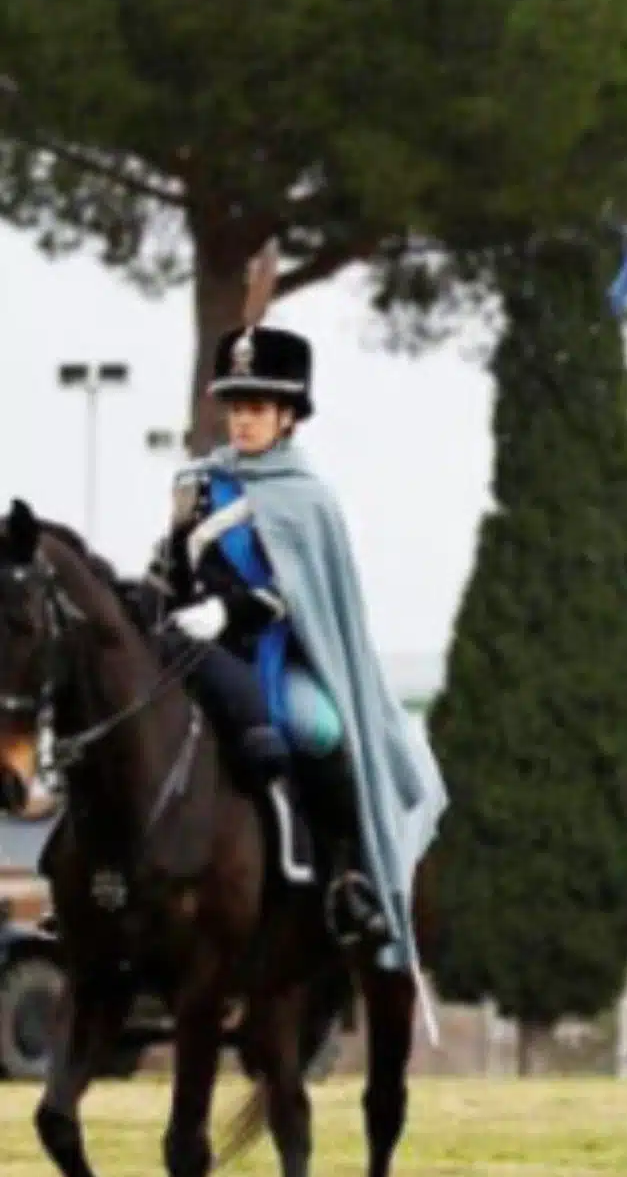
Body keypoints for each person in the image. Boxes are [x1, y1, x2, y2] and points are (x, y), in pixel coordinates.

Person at [153, 323, 446, 966]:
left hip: (271, 653)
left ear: (288, 416)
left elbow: (298, 596)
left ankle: (347, 880)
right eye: (235, 406)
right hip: (194, 653)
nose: (243, 421)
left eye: (256, 408)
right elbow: (171, 568)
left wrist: (224, 611)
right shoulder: (196, 484)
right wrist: (169, 602)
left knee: (323, 729)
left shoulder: (309, 500)